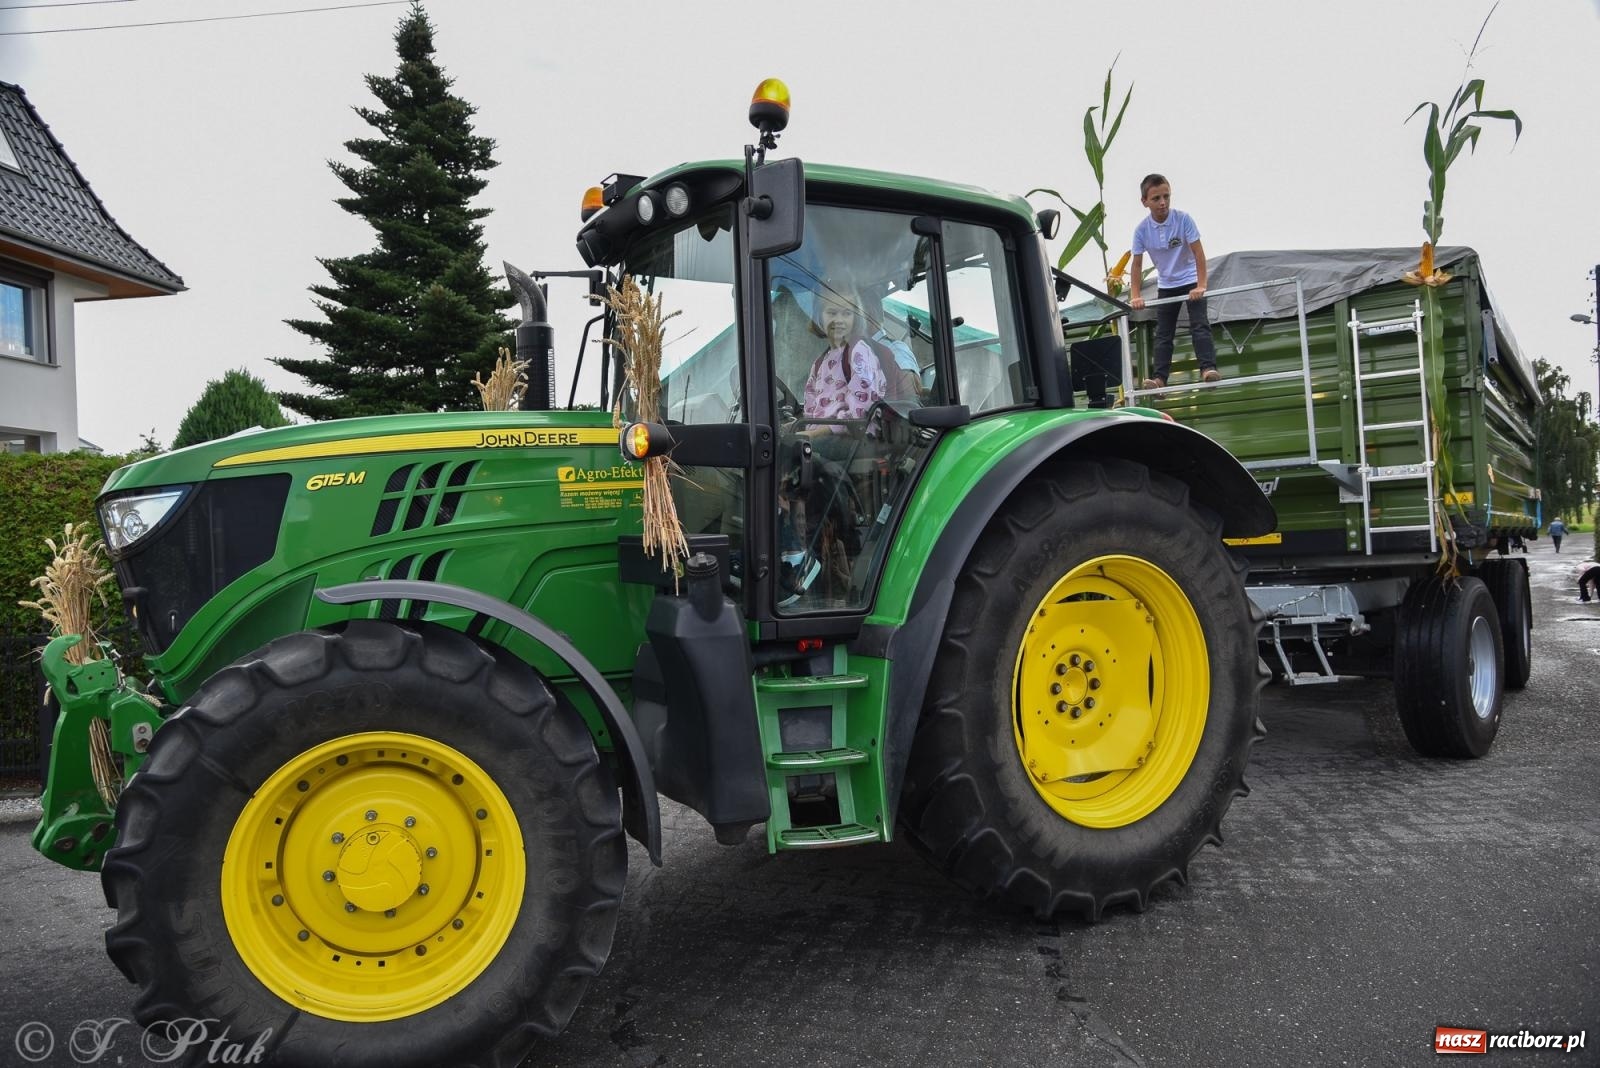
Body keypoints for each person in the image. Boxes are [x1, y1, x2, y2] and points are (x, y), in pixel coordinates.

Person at [1129, 173, 1220, 389]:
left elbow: (1199, 254)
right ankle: (1159, 380)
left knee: (1199, 325)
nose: (1163, 203)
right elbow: (1137, 265)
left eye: (1166, 197)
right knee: (1163, 334)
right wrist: (1135, 296)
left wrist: (1201, 285)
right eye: (1156, 199)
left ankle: (1208, 369)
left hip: (1190, 280)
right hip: (1167, 284)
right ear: (1144, 202)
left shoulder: (1183, 219)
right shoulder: (1142, 230)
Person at [801, 280, 888, 433]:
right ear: (818, 316)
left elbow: (863, 407)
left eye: (846, 313)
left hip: (853, 439)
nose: (839, 320)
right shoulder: (819, 363)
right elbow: (809, 407)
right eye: (832, 313)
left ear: (856, 317)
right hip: (821, 435)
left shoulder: (858, 352)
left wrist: (818, 433)